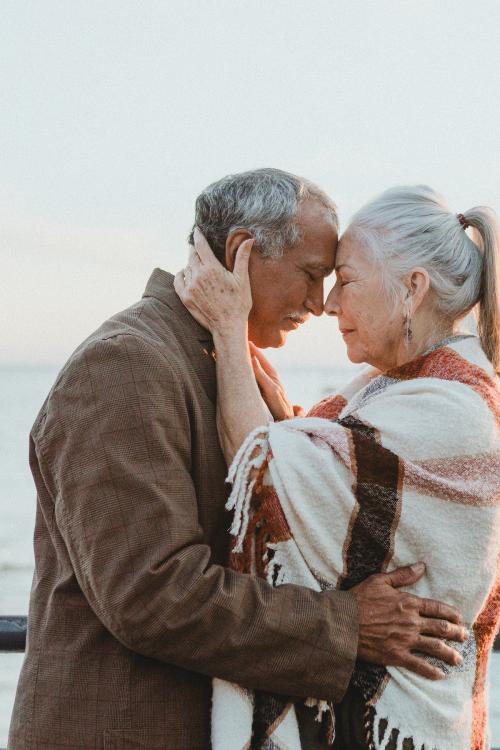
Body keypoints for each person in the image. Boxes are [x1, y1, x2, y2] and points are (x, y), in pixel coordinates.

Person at [9, 171, 465, 750]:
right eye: (310, 274)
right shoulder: (125, 365)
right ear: (240, 252)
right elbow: (153, 596)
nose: (319, 302)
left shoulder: (231, 363)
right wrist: (348, 626)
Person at [176, 184, 500, 750]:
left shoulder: (453, 408)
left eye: (346, 281)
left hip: (397, 724)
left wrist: (230, 327)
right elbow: (311, 449)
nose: (329, 303)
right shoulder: (399, 386)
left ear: (411, 290)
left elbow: (266, 468)